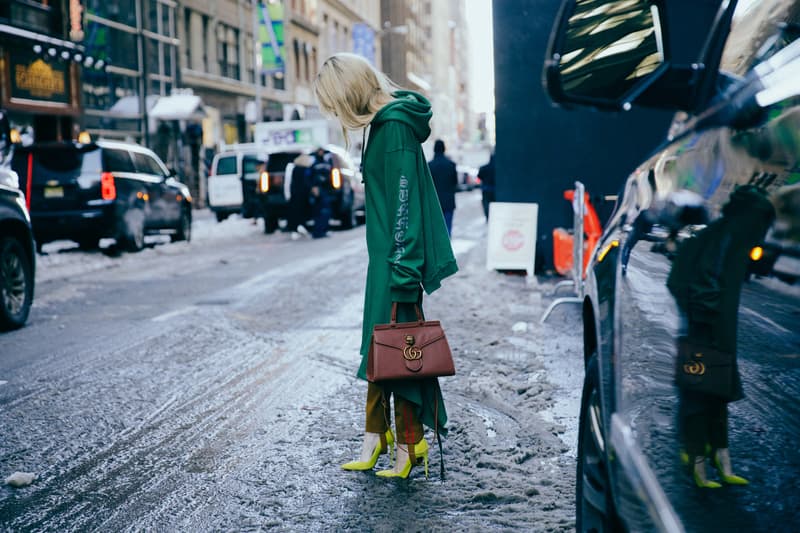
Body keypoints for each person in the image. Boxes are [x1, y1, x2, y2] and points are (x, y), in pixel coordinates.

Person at [313, 53, 458, 478]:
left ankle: (411, 445)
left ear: (350, 94)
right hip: (387, 260)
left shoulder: (392, 127)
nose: (337, 113)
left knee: (403, 355)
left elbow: (403, 205)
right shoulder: (385, 124)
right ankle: (377, 437)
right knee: (381, 350)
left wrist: (404, 269)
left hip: (397, 263)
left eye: (335, 103)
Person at [666, 185, 775, 488]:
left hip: (714, 331)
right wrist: (703, 318)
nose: (762, 232)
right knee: (703, 394)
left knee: (715, 394)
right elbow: (690, 283)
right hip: (708, 333)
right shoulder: (724, 241)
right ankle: (701, 462)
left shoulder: (727, 238)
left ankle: (714, 457)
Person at [427, 139, 458, 236]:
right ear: (444, 149)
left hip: (434, 202)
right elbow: (455, 183)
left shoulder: (429, 166)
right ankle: (447, 247)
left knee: (435, 228)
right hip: (448, 201)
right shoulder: (451, 165)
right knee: (447, 226)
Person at [309, 147, 334, 238]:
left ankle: (323, 230)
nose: (321, 153)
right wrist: (313, 188)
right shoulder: (314, 164)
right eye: (319, 151)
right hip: (318, 190)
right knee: (320, 212)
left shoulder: (327, 162)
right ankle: (318, 232)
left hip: (326, 190)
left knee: (325, 211)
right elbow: (311, 177)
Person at [478, 152, 496, 221]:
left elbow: (479, 176)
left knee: (487, 207)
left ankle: (489, 220)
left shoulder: (484, 168)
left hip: (486, 190)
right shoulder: (498, 168)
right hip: (494, 190)